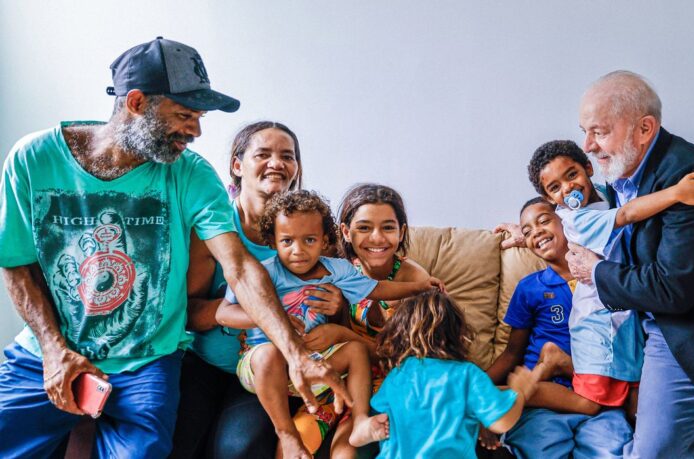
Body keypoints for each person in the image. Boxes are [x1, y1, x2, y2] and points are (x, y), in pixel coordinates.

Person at [0, 38, 348, 458]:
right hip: (45, 351)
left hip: (147, 363)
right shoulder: (32, 159)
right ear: (135, 102)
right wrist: (54, 350)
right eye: (184, 115)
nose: (196, 131)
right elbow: (16, 262)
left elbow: (238, 265)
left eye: (198, 117)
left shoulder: (192, 175)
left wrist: (295, 353)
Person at [567, 70, 694, 458]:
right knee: (652, 453)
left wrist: (594, 272)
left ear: (644, 128)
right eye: (584, 131)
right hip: (668, 336)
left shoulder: (692, 174)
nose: (588, 145)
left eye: (599, 131)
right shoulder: (618, 176)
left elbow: (671, 287)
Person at [216, 190, 443, 459]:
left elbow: (376, 289)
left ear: (325, 241)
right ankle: (286, 434)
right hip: (264, 367)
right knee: (269, 355)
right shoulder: (262, 272)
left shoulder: (336, 270)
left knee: (354, 351)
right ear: (272, 241)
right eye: (287, 241)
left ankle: (359, 421)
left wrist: (418, 287)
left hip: (316, 364)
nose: (298, 251)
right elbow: (223, 313)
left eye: (309, 240)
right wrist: (269, 315)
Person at [171, 121, 350, 458]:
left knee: (240, 449)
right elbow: (189, 313)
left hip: (268, 374)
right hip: (205, 364)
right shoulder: (214, 226)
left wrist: (336, 303)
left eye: (287, 156)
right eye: (263, 154)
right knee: (177, 442)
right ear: (237, 166)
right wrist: (261, 315)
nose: (277, 163)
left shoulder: (312, 234)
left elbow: (337, 319)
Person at [527, 139, 694, 419]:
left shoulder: (606, 194)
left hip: (625, 310)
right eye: (555, 188)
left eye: (571, 175)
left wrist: (519, 234)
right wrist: (677, 193)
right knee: (592, 401)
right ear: (550, 198)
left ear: (589, 169)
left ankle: (565, 364)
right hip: (595, 317)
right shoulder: (577, 220)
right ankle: (525, 390)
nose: (568, 188)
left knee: (629, 388)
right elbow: (628, 213)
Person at [482, 198, 633, 458]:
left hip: (598, 396)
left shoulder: (605, 275)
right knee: (541, 449)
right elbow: (511, 354)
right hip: (541, 397)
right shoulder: (530, 287)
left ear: (568, 222)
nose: (536, 232)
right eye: (527, 231)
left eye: (544, 221)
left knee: (610, 449)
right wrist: (475, 388)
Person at [349, 289, 538, 458]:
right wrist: (520, 392)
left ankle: (362, 429)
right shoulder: (467, 374)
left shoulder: (398, 374)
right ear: (458, 334)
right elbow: (501, 422)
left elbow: (380, 414)